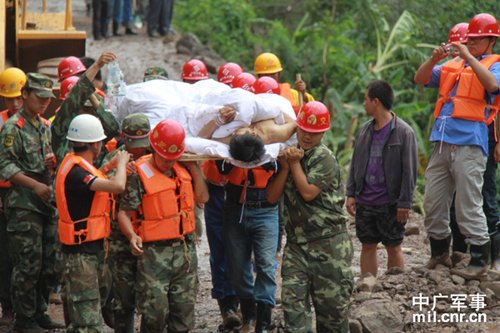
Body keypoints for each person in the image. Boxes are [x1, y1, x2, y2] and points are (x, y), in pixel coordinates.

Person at [414, 13, 500, 279]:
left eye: (476, 39)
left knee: (469, 204)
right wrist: (434, 58)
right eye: (469, 39)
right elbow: (420, 78)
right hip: (442, 140)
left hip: (470, 142)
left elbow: (493, 86)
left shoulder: (494, 65)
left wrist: (470, 57)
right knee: (434, 202)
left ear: (490, 41)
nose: (471, 43)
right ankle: (439, 252)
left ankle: (479, 260)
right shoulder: (453, 65)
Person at [266, 101, 353, 332]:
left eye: (313, 133)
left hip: (329, 246)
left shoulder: (324, 158)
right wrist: (284, 167)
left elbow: (307, 193)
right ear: (297, 128)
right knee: (293, 312)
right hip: (297, 246)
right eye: (303, 130)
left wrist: (293, 163)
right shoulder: (289, 155)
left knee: (332, 317)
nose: (307, 136)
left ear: (323, 133)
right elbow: (272, 198)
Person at [118, 119, 208, 333]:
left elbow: (203, 197)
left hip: (184, 251)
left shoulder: (184, 168)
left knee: (184, 313)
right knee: (154, 313)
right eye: (165, 158)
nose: (169, 163)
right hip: (153, 255)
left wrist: (194, 168)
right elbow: (123, 213)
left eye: (173, 158)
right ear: (154, 148)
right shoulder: (138, 173)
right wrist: (131, 236)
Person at [0, 73, 63, 333]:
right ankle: (24, 319)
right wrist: (34, 184)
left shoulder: (43, 125)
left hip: (45, 202)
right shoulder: (13, 127)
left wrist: (50, 164)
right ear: (25, 95)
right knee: (27, 263)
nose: (45, 103)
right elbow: (5, 165)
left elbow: (45, 156)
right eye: (40, 97)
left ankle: (39, 311)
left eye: (48, 98)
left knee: (49, 262)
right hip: (24, 203)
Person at [55, 114, 130, 333]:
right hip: (81, 256)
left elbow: (94, 177)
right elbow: (117, 187)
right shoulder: (77, 173)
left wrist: (110, 166)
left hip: (86, 251)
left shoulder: (75, 164)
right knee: (87, 323)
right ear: (95, 144)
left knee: (82, 313)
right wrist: (123, 164)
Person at [345, 80, 418, 280]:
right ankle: (367, 287)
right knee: (367, 245)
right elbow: (356, 163)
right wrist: (351, 193)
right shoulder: (365, 130)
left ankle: (395, 288)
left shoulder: (404, 132)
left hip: (390, 201)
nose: (364, 104)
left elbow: (409, 172)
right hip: (366, 199)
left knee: (393, 246)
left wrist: (404, 202)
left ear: (375, 102)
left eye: (366, 100)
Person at [220, 145, 280, 332]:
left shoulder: (274, 133)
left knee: (266, 266)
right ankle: (249, 316)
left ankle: (262, 324)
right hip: (235, 207)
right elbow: (220, 166)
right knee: (238, 268)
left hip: (266, 208)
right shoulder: (228, 137)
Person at [103, 113, 152, 333]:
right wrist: (120, 168)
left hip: (150, 235)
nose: (138, 150)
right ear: (124, 137)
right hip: (119, 238)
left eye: (143, 145)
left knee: (152, 296)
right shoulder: (114, 157)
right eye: (134, 144)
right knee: (123, 297)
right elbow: (100, 178)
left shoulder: (156, 157)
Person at [52, 52, 120, 167]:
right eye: (83, 109)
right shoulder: (61, 129)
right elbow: (76, 96)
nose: (88, 114)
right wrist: (96, 65)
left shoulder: (95, 130)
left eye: (90, 110)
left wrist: (92, 97)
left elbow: (113, 128)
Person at [0, 67, 26, 326]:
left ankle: (32, 310)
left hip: (27, 195)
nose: (15, 103)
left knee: (30, 256)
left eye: (19, 97)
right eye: (10, 98)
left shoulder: (36, 123)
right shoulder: (0, 123)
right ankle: (7, 307)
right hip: (4, 195)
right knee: (6, 254)